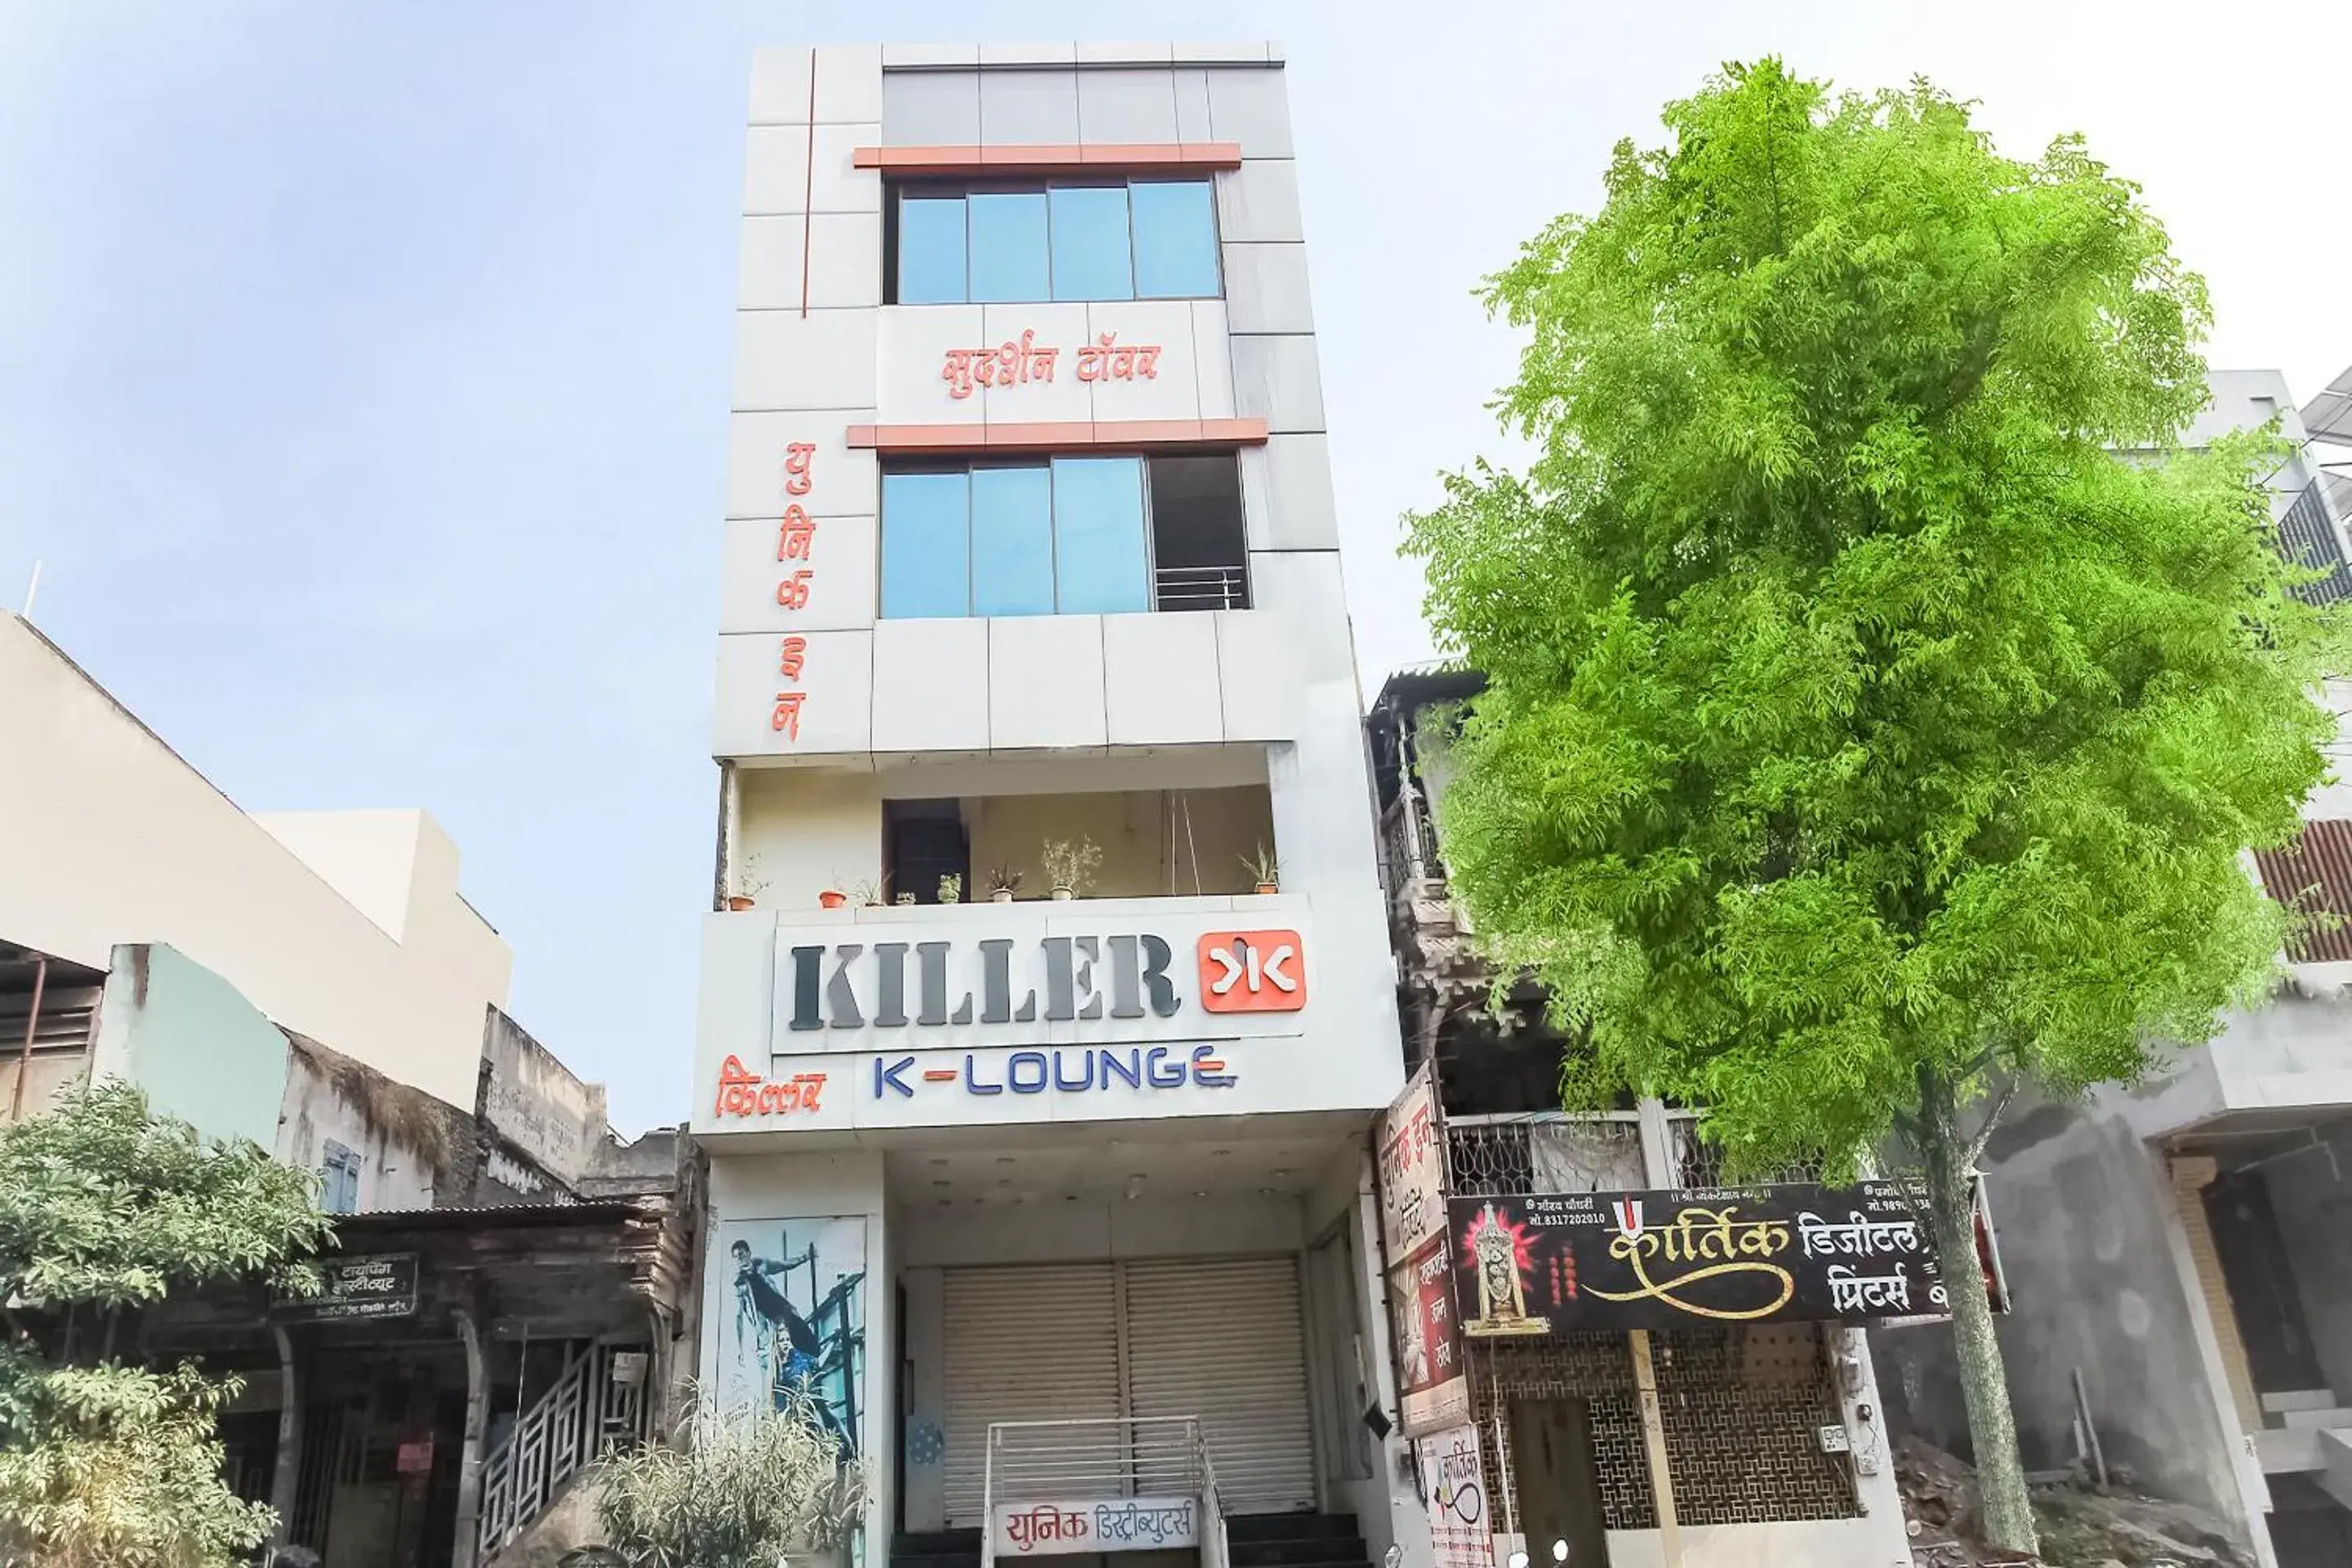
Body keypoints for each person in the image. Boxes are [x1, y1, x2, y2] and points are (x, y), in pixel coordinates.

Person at [729, 1236, 849, 1449]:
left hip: (793, 1323)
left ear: (748, 1253)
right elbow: (740, 1317)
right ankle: (814, 1443)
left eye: (742, 1255)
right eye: (736, 1258)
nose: (740, 1260)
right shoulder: (740, 1284)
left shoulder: (761, 1265)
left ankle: (843, 1444)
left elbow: (786, 1264)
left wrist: (805, 1256)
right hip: (779, 1330)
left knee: (815, 1395)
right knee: (796, 1397)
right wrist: (741, 1347)